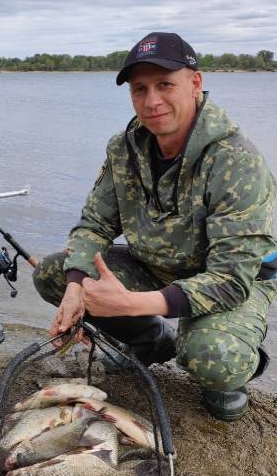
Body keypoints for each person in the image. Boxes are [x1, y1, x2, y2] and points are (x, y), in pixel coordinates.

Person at [33, 32, 277, 421]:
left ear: (195, 83)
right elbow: (95, 223)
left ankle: (234, 373)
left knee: (211, 356)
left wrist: (130, 303)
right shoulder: (123, 148)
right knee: (54, 274)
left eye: (165, 85)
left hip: (229, 281)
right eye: (140, 89)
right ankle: (151, 342)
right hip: (155, 264)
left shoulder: (236, 160)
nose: (152, 101)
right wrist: (76, 285)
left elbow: (231, 279)